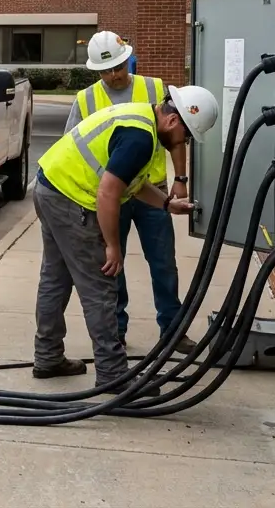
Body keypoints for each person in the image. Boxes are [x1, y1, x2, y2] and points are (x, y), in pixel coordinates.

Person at [32, 84, 218, 391]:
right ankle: (113, 375)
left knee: (56, 278)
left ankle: (48, 355)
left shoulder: (141, 120)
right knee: (100, 287)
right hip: (70, 198)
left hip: (51, 187)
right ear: (172, 122)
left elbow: (133, 183)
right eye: (185, 135)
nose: (183, 142)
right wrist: (113, 247)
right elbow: (108, 193)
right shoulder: (140, 138)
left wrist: (166, 204)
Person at [66, 31, 196, 352]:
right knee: (113, 263)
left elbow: (176, 132)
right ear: (97, 71)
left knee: (163, 262)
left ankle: (172, 329)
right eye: (107, 71)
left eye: (120, 67)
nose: (115, 75)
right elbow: (72, 145)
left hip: (153, 192)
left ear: (128, 60)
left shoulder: (153, 87)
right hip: (112, 195)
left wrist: (180, 177)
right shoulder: (85, 100)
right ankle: (117, 331)